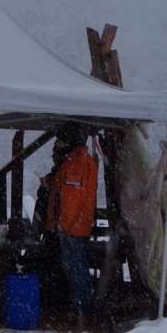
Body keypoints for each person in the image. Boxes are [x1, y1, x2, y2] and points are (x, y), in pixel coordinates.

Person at [44, 122, 99, 319]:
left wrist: (63, 225)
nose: (57, 144)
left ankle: (81, 309)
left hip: (73, 228)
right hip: (73, 226)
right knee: (73, 267)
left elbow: (71, 197)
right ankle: (79, 307)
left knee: (75, 268)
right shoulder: (74, 160)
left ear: (69, 140)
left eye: (60, 140)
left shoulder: (78, 162)